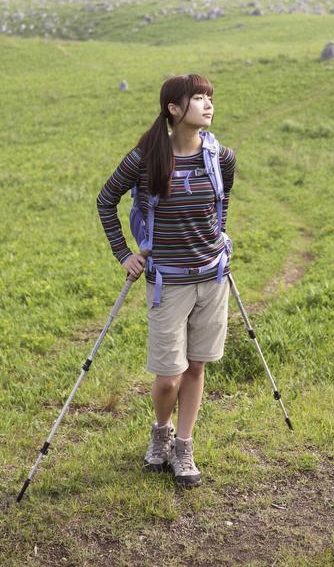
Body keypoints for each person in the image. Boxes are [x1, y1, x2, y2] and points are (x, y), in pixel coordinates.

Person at [96, 73, 236, 488]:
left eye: (210, 97)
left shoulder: (221, 156)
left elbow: (222, 202)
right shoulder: (145, 158)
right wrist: (124, 254)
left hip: (212, 278)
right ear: (174, 109)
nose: (208, 105)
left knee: (196, 368)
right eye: (198, 98)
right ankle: (161, 430)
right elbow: (106, 200)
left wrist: (220, 239)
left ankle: (185, 444)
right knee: (168, 376)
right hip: (167, 284)